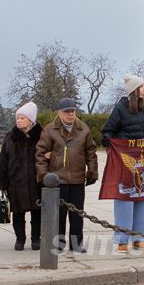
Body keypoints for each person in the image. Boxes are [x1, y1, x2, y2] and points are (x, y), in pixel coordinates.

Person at [101, 75, 144, 253]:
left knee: (143, 198)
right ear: (134, 90)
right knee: (125, 199)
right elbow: (107, 132)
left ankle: (140, 238)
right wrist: (112, 144)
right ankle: (122, 239)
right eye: (141, 86)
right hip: (126, 163)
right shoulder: (120, 109)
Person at [36, 98, 98, 253]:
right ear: (59, 113)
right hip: (57, 179)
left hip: (77, 179)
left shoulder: (83, 129)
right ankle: (59, 243)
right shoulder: (50, 130)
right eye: (67, 111)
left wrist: (92, 171)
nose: (71, 114)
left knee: (77, 214)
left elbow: (91, 152)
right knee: (59, 215)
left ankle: (77, 243)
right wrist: (44, 175)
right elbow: (41, 154)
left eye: (73, 111)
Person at [0, 101, 42, 251]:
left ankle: (36, 239)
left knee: (37, 213)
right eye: (18, 118)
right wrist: (1, 183)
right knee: (18, 213)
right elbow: (3, 161)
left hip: (36, 182)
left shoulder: (42, 135)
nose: (19, 120)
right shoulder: (11, 137)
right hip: (16, 182)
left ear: (31, 119)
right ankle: (20, 239)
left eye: (22, 118)